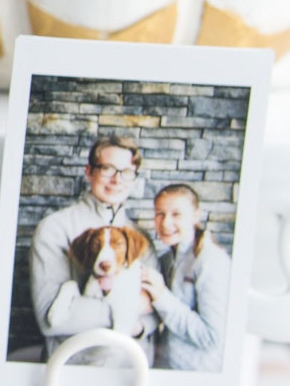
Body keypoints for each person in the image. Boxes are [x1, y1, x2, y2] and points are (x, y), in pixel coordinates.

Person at [28, 134, 154, 356]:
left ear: (134, 178)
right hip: (77, 368)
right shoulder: (55, 228)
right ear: (89, 171)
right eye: (107, 169)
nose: (117, 180)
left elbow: (155, 313)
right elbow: (50, 319)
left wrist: (140, 326)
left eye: (126, 172)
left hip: (135, 369)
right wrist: (130, 311)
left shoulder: (139, 238)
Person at [141, 183, 231, 373]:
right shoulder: (166, 259)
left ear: (195, 215)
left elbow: (211, 337)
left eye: (176, 214)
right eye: (160, 213)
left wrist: (161, 296)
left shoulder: (210, 261)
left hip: (197, 377)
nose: (165, 223)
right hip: (165, 370)